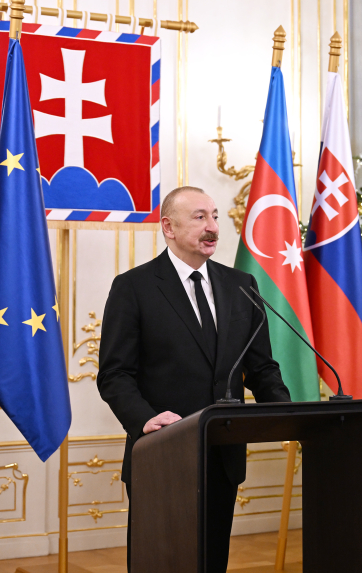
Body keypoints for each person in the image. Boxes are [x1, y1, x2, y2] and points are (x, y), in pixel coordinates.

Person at [96, 186, 291, 572]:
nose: (213, 227)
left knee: (210, 561)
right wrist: (143, 419)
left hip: (223, 453)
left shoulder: (242, 287)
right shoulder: (134, 287)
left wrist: (287, 414)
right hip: (161, 453)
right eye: (200, 217)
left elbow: (262, 368)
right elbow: (115, 374)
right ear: (168, 226)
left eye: (215, 216)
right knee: (161, 562)